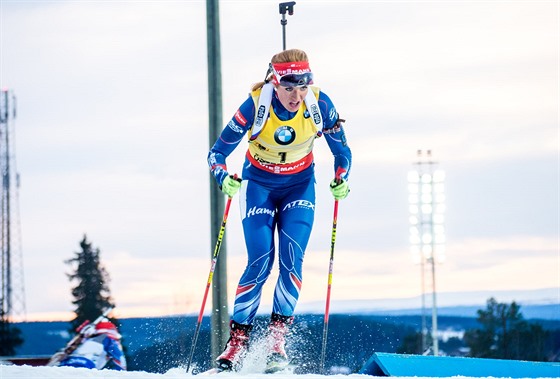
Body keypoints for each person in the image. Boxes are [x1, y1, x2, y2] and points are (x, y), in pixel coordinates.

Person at [207, 48, 352, 372]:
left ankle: (277, 341)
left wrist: (341, 177)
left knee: (291, 257)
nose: (296, 95)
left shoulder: (319, 104)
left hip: (299, 186)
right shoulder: (256, 106)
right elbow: (217, 153)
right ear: (275, 81)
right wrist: (223, 178)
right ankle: (237, 342)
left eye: (303, 85)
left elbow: (343, 151)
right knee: (260, 260)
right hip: (259, 185)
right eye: (288, 86)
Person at [58, 320, 127, 370]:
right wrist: (122, 373)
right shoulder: (108, 339)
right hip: (85, 365)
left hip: (66, 363)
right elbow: (120, 359)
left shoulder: (85, 339)